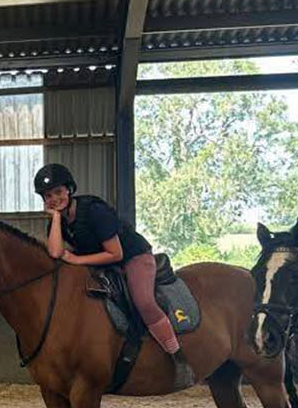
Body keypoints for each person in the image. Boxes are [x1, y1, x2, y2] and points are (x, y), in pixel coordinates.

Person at [33, 163, 189, 380]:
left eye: (58, 192)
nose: (54, 199)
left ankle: (177, 357)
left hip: (132, 257)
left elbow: (115, 253)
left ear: (69, 189)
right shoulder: (59, 222)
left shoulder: (95, 211)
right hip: (101, 263)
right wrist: (56, 218)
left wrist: (77, 259)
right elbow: (55, 252)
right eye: (48, 196)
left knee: (143, 301)